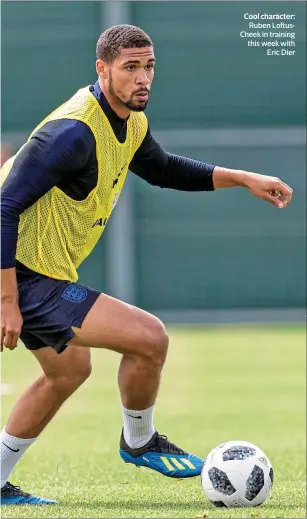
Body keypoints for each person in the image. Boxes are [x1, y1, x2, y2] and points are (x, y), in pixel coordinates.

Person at [0, 24, 293, 505]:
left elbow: (162, 169)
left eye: (149, 66)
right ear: (103, 69)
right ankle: (138, 441)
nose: (142, 78)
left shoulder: (131, 123)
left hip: (39, 271)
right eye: (130, 67)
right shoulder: (71, 133)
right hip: (20, 273)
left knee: (68, 371)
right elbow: (4, 207)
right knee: (148, 337)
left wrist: (243, 178)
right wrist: (7, 301)